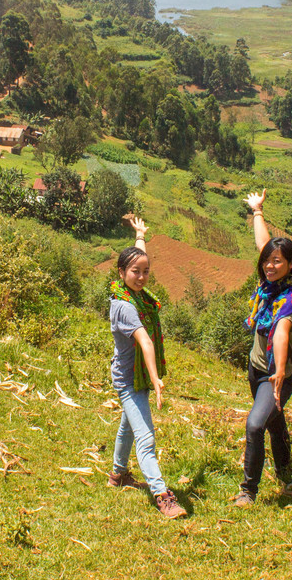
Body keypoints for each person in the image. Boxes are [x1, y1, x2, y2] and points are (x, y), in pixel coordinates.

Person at [107, 216, 187, 519]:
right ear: (121, 272)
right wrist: (155, 380)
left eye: (145, 272)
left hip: (130, 374)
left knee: (130, 424)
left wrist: (140, 235)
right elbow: (146, 343)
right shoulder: (125, 306)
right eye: (134, 272)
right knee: (146, 437)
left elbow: (137, 256)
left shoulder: (132, 293)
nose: (141, 277)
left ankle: (118, 474)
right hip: (130, 379)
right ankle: (162, 494)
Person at [233, 190, 292, 507]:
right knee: (274, 422)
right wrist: (257, 210)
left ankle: (248, 490)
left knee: (255, 423)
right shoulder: (268, 284)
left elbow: (281, 334)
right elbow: (263, 245)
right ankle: (287, 472)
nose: (269, 265)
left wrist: (277, 375)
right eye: (267, 262)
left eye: (277, 262)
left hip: (276, 374)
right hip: (256, 368)